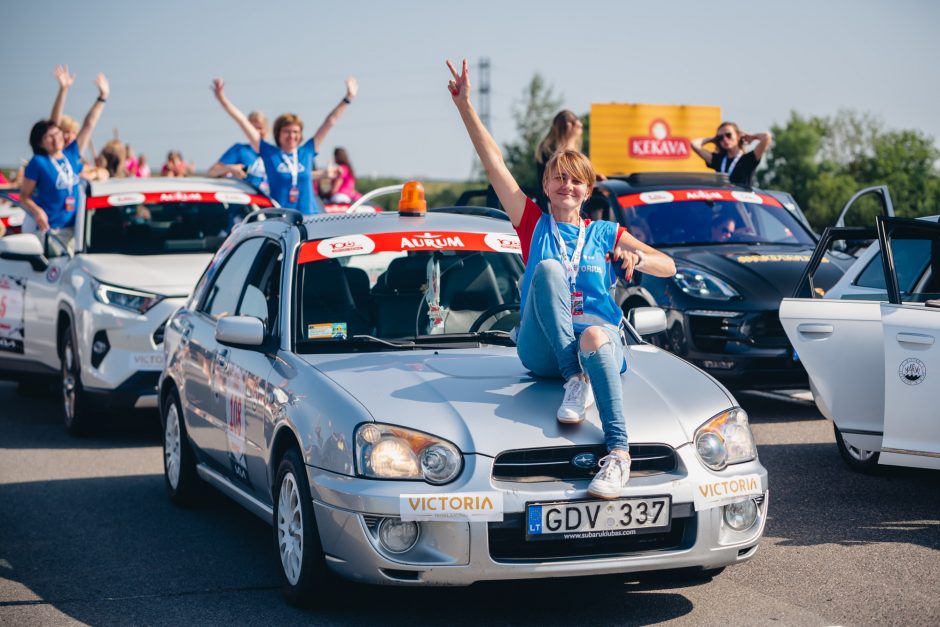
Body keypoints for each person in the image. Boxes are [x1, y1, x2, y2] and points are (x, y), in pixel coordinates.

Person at [446, 59, 676, 498]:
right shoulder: (532, 225)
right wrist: (465, 106)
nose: (566, 185)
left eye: (575, 181)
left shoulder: (607, 233)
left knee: (593, 335)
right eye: (558, 178)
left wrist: (635, 259)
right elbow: (493, 163)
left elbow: (669, 266)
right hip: (544, 349)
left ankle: (619, 456)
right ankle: (574, 378)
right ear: (547, 185)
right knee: (550, 269)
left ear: (588, 191)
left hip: (597, 340)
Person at [211, 76, 357, 214]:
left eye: (295, 132)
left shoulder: (307, 152)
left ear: (300, 134)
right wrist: (222, 99)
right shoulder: (270, 154)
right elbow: (243, 122)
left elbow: (329, 122)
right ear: (278, 134)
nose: (291, 136)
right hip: (281, 220)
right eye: (286, 131)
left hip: (310, 218)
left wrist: (348, 98)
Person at [20, 71, 110, 239]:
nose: (56, 139)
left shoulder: (71, 155)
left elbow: (88, 125)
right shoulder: (39, 162)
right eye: (50, 137)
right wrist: (38, 212)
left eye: (58, 134)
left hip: (73, 229)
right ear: (40, 142)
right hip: (48, 230)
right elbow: (24, 196)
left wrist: (103, 97)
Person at [691, 122, 772, 187]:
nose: (725, 139)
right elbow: (694, 144)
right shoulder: (718, 160)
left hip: (742, 203)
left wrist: (753, 137)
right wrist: (714, 139)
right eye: (720, 138)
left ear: (738, 136)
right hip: (724, 203)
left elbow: (767, 137)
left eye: (728, 135)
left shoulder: (748, 159)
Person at [208, 110, 270, 193]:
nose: (257, 132)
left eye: (260, 128)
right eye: (253, 128)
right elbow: (212, 172)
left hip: (270, 201)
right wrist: (231, 168)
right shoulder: (240, 150)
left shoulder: (275, 153)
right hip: (248, 199)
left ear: (266, 130)